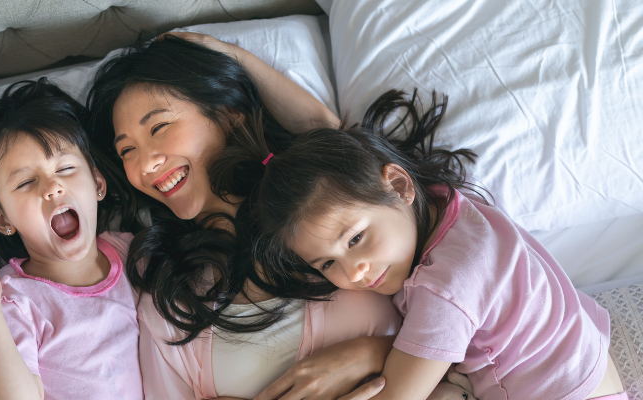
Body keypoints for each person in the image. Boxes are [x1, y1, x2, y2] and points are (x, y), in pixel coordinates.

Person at [248, 89, 627, 400]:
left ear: (398, 185)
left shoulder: (448, 285)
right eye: (327, 264)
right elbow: (336, 138)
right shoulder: (437, 199)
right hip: (584, 368)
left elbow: (395, 395)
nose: (354, 272)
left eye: (356, 239)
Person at [87, 34, 407, 399]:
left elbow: (332, 138)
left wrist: (371, 355)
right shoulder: (163, 291)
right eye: (127, 150)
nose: (145, 164)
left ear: (227, 115)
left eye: (159, 128)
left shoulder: (330, 208)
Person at [0, 79, 143, 400]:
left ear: (98, 183)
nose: (52, 187)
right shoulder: (16, 298)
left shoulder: (131, 251)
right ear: (3, 219)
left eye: (66, 167)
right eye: (27, 181)